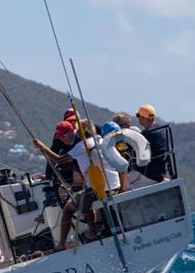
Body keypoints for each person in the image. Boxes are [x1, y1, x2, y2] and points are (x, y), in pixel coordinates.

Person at [33, 120, 126, 250]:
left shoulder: (82, 146)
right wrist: (122, 188)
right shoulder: (103, 141)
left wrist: (42, 147)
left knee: (69, 208)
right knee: (84, 201)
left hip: (98, 190)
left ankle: (61, 244)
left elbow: (58, 160)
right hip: (114, 187)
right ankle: (94, 231)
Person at [135, 104, 170, 181]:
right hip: (161, 169)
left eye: (138, 115)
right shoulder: (161, 129)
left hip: (151, 173)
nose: (137, 118)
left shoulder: (148, 134)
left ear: (143, 118)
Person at [44, 120, 79, 187]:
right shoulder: (72, 143)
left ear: (71, 131)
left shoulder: (79, 142)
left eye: (63, 136)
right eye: (60, 137)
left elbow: (59, 160)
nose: (62, 139)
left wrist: (42, 147)